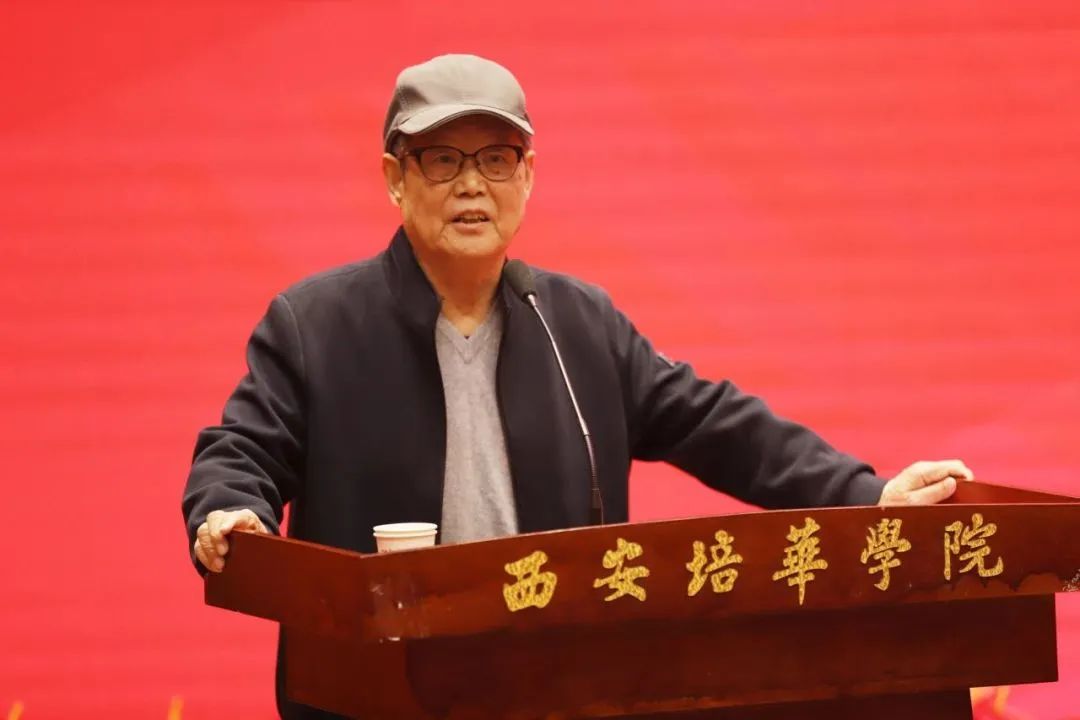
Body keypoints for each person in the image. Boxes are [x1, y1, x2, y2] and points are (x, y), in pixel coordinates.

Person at [181, 54, 973, 718]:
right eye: (443, 159)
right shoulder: (316, 325)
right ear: (395, 177)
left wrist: (867, 496)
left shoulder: (574, 323)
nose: (472, 185)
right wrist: (230, 509)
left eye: (496, 160)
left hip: (553, 690)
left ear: (527, 177)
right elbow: (242, 448)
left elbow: (715, 425)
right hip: (380, 695)